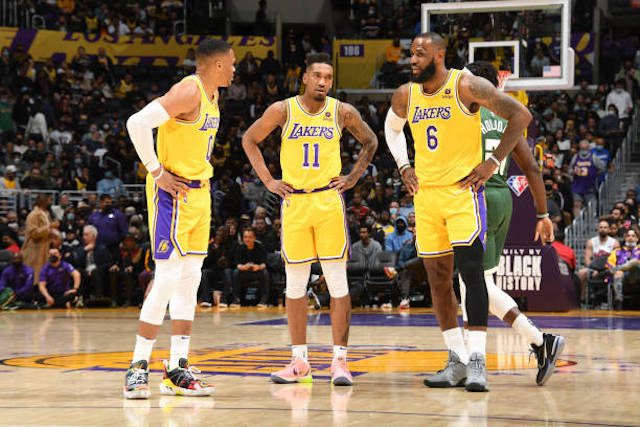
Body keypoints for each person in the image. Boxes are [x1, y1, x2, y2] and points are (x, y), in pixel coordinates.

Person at [384, 33, 531, 392]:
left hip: (463, 194)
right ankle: (457, 359)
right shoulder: (406, 94)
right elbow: (392, 128)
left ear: (439, 55)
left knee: (471, 274)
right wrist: (404, 165)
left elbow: (520, 115)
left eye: (420, 54)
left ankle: (478, 361)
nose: (413, 59)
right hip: (426, 197)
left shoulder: (466, 85)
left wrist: (493, 162)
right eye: (411, 53)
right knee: (436, 278)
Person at [242, 52, 378, 387]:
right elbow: (249, 139)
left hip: (328, 201)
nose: (322, 82)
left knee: (337, 284)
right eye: (317, 75)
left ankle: (340, 361)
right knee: (295, 285)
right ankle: (299, 361)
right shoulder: (283, 110)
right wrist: (269, 181)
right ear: (304, 77)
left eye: (328, 77)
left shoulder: (342, 111)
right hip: (296, 203)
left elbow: (371, 141)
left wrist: (353, 177)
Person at [123, 39, 235, 399]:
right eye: (231, 63)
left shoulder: (213, 96)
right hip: (173, 193)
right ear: (217, 65)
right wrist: (156, 172)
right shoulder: (189, 90)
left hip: (200, 193)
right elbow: (137, 123)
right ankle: (138, 365)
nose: (235, 69)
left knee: (190, 279)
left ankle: (177, 367)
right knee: (168, 277)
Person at [456, 62, 565, 386]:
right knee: (479, 283)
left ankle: (536, 340)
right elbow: (532, 168)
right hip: (502, 198)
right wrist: (543, 215)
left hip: (476, 198)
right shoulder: (507, 118)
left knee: (473, 285)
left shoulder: (465, 112)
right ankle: (534, 343)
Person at [578, 220, 620, 304]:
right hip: (594, 268)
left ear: (609, 229)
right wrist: (594, 269)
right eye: (601, 227)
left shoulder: (615, 243)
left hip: (608, 269)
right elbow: (587, 259)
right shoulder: (591, 242)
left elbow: (616, 261)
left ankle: (616, 299)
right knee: (581, 273)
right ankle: (582, 299)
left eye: (605, 227)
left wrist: (602, 270)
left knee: (617, 274)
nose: (603, 229)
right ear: (597, 229)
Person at [232, 228, 269, 307]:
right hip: (245, 272)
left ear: (254, 238)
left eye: (250, 237)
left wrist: (259, 267)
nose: (247, 239)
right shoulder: (240, 248)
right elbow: (238, 264)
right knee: (236, 273)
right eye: (245, 237)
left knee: (265, 273)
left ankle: (264, 300)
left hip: (257, 272)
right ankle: (236, 300)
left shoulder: (260, 247)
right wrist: (243, 267)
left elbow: (264, 263)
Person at [21, 195, 53, 282]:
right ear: (42, 202)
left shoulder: (46, 214)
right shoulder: (33, 215)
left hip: (45, 247)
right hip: (34, 248)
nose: (49, 202)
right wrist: (50, 227)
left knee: (43, 276)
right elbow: (33, 233)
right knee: (32, 275)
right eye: (47, 200)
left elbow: (49, 229)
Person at [606, 229, 640, 310]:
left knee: (635, 262)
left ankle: (619, 268)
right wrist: (619, 271)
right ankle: (619, 300)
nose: (630, 238)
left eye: (633, 236)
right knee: (618, 274)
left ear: (637, 239)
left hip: (638, 275)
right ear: (625, 238)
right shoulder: (617, 251)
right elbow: (609, 264)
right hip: (623, 278)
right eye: (628, 236)